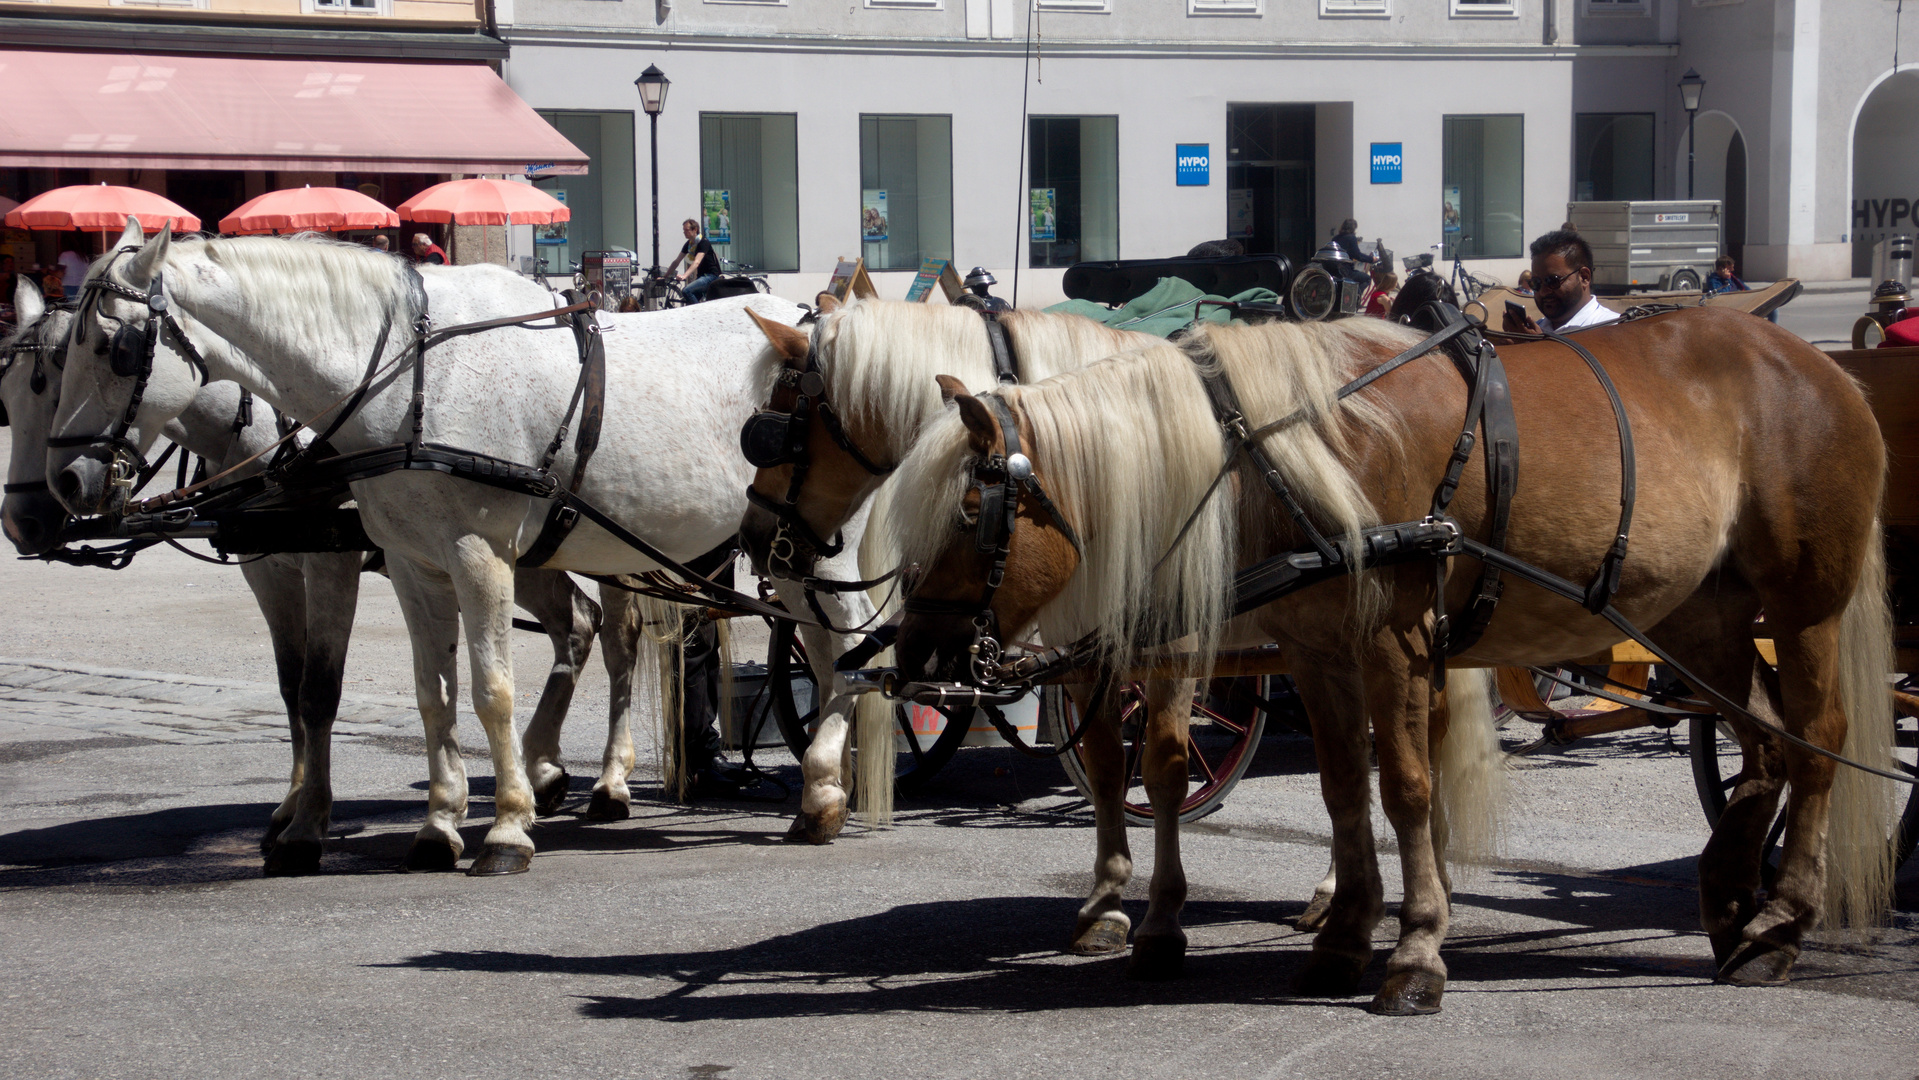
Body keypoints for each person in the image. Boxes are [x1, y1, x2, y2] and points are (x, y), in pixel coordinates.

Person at [1501, 229, 1617, 334]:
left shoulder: (1614, 328)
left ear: (1584, 277)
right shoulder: (1535, 330)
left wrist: (1536, 350)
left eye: (1552, 281)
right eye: (1536, 283)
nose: (1543, 292)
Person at [668, 218, 720, 303]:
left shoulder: (703, 242)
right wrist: (665, 276)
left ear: (695, 229)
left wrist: (684, 276)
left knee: (686, 291)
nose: (684, 232)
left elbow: (696, 262)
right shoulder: (689, 245)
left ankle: (698, 313)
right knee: (689, 300)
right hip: (701, 276)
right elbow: (676, 261)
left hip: (711, 276)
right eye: (683, 230)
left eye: (687, 230)